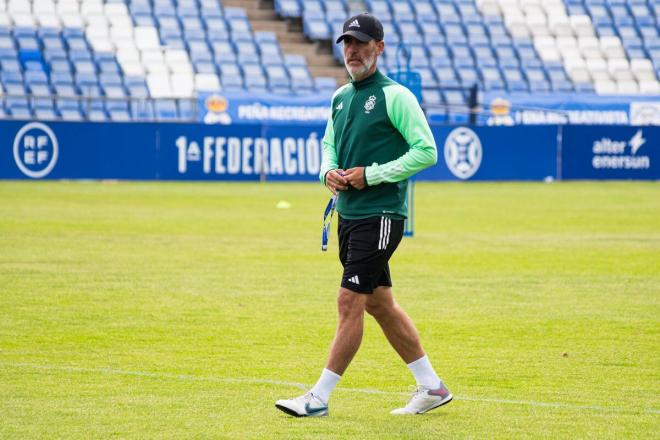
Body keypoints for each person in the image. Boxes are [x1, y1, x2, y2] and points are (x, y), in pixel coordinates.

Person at [275, 12, 452, 417]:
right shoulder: (340, 97)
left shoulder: (396, 96)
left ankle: (318, 397)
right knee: (379, 304)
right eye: (347, 44)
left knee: (349, 299)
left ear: (379, 47)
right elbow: (328, 144)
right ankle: (432, 387)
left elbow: (426, 151)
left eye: (360, 42)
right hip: (350, 214)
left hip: (382, 212)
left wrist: (370, 175)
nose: (352, 50)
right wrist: (328, 172)